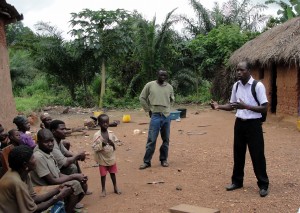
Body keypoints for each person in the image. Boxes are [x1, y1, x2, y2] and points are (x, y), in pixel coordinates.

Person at [210, 60, 269, 197]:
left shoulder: (257, 86)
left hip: (254, 125)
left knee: (257, 155)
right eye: (237, 70)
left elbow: (265, 107)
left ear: (249, 71)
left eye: (242, 70)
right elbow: (232, 105)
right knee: (238, 153)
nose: (238, 73)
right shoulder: (236, 86)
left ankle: (263, 184)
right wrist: (218, 107)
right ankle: (237, 182)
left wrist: (247, 106)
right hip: (240, 124)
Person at [0, 145, 72, 213]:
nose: (35, 160)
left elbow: (34, 198)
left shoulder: (23, 173)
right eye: (33, 158)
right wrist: (58, 197)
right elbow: (33, 211)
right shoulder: (17, 182)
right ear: (25, 164)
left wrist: (58, 189)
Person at [30, 128, 88, 211]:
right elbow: (52, 181)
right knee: (74, 185)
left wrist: (77, 176)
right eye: (46, 142)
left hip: (53, 182)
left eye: (51, 141)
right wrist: (74, 176)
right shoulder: (38, 157)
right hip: (43, 187)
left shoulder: (48, 152)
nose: (50, 144)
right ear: (38, 143)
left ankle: (68, 208)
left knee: (81, 182)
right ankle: (68, 210)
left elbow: (59, 174)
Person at [139, 69, 175, 169]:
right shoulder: (149, 85)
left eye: (165, 75)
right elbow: (142, 98)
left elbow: (172, 100)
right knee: (152, 139)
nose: (163, 77)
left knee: (166, 139)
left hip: (166, 116)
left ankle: (163, 159)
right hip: (155, 116)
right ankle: (147, 162)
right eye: (161, 75)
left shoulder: (169, 87)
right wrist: (148, 109)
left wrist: (168, 110)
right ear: (157, 75)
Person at [92, 114, 121, 197]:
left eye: (107, 122)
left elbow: (118, 143)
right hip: (102, 159)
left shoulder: (111, 134)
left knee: (113, 173)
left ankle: (115, 187)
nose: (105, 124)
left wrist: (113, 144)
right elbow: (94, 148)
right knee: (103, 175)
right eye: (103, 122)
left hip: (111, 157)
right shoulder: (97, 135)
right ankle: (103, 189)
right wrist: (102, 144)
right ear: (99, 124)